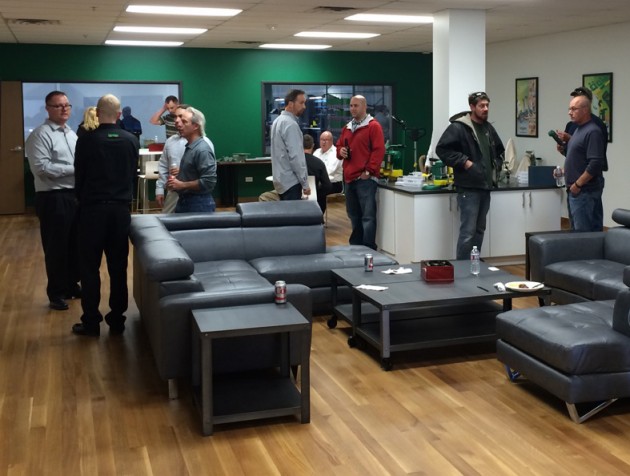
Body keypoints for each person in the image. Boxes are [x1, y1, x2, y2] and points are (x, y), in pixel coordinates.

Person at [71, 94, 139, 336]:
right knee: (118, 267)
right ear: (119, 115)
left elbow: (79, 176)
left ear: (98, 113)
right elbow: (132, 174)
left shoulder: (86, 140)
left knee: (89, 267)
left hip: (92, 210)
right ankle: (117, 320)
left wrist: (82, 199)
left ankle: (91, 321)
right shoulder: (131, 140)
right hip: (120, 211)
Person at [25, 90, 81, 311]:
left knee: (74, 245)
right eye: (58, 106)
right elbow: (42, 169)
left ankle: (70, 286)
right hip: (53, 198)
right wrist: (77, 169)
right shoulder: (40, 135)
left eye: (67, 105)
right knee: (56, 247)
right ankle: (56, 293)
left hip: (73, 196)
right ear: (47, 108)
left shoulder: (71, 133)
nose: (64, 109)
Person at [436, 91, 505, 260]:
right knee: (468, 231)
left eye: (487, 105)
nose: (485, 109)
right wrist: (466, 162)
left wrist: (496, 165)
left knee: (480, 229)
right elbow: (442, 150)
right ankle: (462, 268)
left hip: (485, 186)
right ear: (472, 107)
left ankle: (474, 264)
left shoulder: (488, 128)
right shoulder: (459, 128)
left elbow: (499, 151)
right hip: (468, 188)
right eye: (481, 106)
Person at [336, 95, 385, 250]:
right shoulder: (347, 128)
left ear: (365, 107)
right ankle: (356, 249)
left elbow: (379, 151)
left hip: (365, 180)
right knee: (353, 216)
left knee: (367, 217)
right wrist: (340, 151)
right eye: (351, 106)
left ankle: (369, 249)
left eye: (356, 105)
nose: (352, 109)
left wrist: (368, 172)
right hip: (349, 179)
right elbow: (338, 146)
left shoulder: (373, 126)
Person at [556, 93, 607, 231]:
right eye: (569, 109)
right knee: (576, 233)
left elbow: (595, 163)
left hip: (584, 191)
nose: (569, 112)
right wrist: (564, 172)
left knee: (583, 235)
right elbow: (579, 159)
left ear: (585, 110)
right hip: (576, 191)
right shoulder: (578, 130)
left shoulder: (593, 131)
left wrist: (578, 184)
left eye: (574, 109)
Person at [156, 104, 216, 213]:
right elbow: (163, 165)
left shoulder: (202, 148)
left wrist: (182, 184)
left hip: (197, 202)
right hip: (183, 199)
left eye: (184, 121)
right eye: (176, 117)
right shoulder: (188, 145)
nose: (178, 122)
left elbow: (209, 180)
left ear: (195, 126)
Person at [270, 89, 311, 200]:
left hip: (281, 182)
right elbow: (296, 157)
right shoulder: (290, 124)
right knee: (293, 212)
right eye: (301, 103)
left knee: (285, 211)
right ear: (291, 103)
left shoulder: (277, 121)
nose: (304, 107)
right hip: (291, 182)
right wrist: (305, 184)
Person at [304, 134, 332, 213]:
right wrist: (316, 193)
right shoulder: (319, 163)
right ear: (313, 145)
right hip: (315, 204)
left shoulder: (292, 162)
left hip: (295, 202)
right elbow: (327, 186)